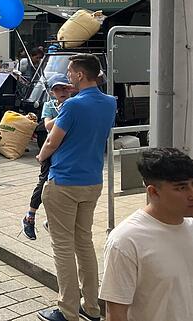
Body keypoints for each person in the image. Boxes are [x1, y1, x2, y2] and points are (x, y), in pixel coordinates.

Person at [36, 54, 116, 321]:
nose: (68, 75)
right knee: (84, 243)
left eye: (70, 71)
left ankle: (67, 310)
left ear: (80, 75)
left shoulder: (72, 105)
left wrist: (41, 157)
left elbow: (52, 141)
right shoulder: (110, 102)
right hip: (92, 180)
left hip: (64, 182)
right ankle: (91, 307)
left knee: (62, 247)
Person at [99, 147, 193, 321]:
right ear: (153, 192)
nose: (191, 193)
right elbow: (116, 313)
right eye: (182, 188)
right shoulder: (126, 241)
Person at [22, 74, 74, 240]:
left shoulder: (74, 104)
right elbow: (48, 125)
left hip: (68, 151)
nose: (62, 92)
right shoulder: (50, 106)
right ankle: (30, 217)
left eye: (64, 88)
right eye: (57, 89)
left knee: (65, 186)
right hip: (49, 149)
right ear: (52, 92)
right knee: (44, 182)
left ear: (70, 89)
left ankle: (52, 222)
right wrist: (65, 114)